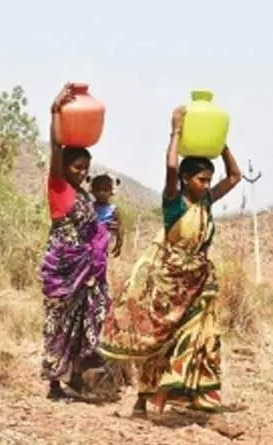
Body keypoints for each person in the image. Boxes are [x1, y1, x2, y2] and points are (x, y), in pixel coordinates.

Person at [98, 106, 241, 417]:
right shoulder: (173, 204)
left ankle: (196, 403)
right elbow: (171, 167)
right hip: (170, 283)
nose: (206, 184)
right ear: (187, 179)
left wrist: (222, 144)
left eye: (208, 180)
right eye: (201, 179)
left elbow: (235, 177)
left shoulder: (205, 201)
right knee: (160, 340)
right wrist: (176, 131)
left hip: (199, 281)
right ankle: (144, 397)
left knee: (203, 337)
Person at [41, 83, 111, 401]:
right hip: (63, 266)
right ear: (64, 167)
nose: (82, 173)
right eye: (76, 167)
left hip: (84, 270)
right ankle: (54, 383)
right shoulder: (59, 186)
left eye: (85, 168)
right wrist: (55, 110)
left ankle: (77, 378)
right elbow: (56, 148)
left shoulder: (82, 194)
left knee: (81, 321)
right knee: (58, 323)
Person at [89, 173, 123, 258]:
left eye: (105, 190)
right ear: (92, 191)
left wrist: (119, 243)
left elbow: (120, 227)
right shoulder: (88, 206)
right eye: (98, 189)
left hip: (102, 245)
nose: (101, 193)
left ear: (111, 192)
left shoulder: (113, 210)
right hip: (88, 244)